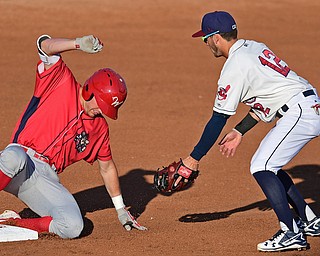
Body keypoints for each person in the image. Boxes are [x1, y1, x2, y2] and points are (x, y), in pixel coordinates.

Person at [181, 11, 320, 252]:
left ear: (215, 38)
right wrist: (240, 130)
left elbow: (218, 118)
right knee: (270, 164)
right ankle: (309, 220)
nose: (205, 44)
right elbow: (269, 98)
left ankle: (291, 232)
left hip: (299, 112)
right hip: (307, 104)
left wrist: (192, 160)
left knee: (261, 166)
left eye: (205, 39)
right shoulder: (254, 47)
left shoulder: (234, 66)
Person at [0, 34, 147, 239]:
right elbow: (45, 45)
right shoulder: (61, 81)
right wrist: (76, 44)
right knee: (13, 156)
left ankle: (11, 223)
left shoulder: (99, 128)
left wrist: (121, 209)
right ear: (89, 90)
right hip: (16, 161)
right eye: (101, 105)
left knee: (72, 225)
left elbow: (107, 167)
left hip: (41, 178)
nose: (101, 111)